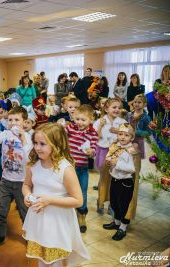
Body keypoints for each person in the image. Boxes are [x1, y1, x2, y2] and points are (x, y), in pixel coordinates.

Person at [22, 123, 90, 267]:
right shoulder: (33, 165)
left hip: (57, 221)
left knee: (55, 260)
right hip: (38, 218)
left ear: (56, 144)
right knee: (41, 257)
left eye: (42, 144)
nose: (37, 147)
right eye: (35, 143)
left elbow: (78, 200)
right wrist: (27, 195)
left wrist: (49, 200)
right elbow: (27, 185)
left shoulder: (65, 169)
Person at [0, 106, 32, 250]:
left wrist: (22, 137)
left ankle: (30, 236)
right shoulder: (5, 134)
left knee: (25, 211)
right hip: (5, 180)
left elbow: (28, 158)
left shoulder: (29, 138)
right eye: (10, 120)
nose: (13, 123)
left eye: (17, 120)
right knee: (0, 209)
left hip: (22, 182)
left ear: (24, 122)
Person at [102, 124, 140, 241]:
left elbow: (132, 169)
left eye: (126, 135)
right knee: (114, 203)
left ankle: (122, 228)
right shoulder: (115, 146)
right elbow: (110, 159)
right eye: (120, 134)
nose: (123, 137)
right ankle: (117, 223)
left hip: (125, 182)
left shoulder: (131, 151)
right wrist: (109, 162)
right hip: (114, 179)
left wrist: (116, 164)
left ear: (131, 138)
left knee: (124, 206)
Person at [65, 105, 98, 233]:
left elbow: (94, 150)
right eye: (77, 119)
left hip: (82, 168)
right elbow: (60, 134)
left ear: (91, 119)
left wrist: (91, 152)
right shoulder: (70, 128)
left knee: (82, 192)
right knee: (67, 191)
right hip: (68, 167)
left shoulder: (93, 134)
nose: (79, 122)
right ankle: (68, 215)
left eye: (83, 120)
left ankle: (81, 215)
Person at [93, 98, 127, 214]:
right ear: (106, 109)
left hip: (116, 152)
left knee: (114, 179)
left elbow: (127, 137)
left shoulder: (122, 122)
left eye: (119, 107)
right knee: (103, 178)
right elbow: (94, 138)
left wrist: (119, 131)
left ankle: (112, 204)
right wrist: (101, 127)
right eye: (114, 107)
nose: (117, 109)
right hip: (103, 151)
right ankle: (100, 201)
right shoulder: (100, 121)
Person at [126, 94, 151, 159]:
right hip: (127, 141)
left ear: (145, 104)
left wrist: (137, 132)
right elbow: (125, 125)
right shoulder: (129, 114)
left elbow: (149, 132)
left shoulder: (146, 118)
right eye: (135, 102)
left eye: (139, 102)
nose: (136, 104)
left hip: (138, 142)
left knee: (136, 161)